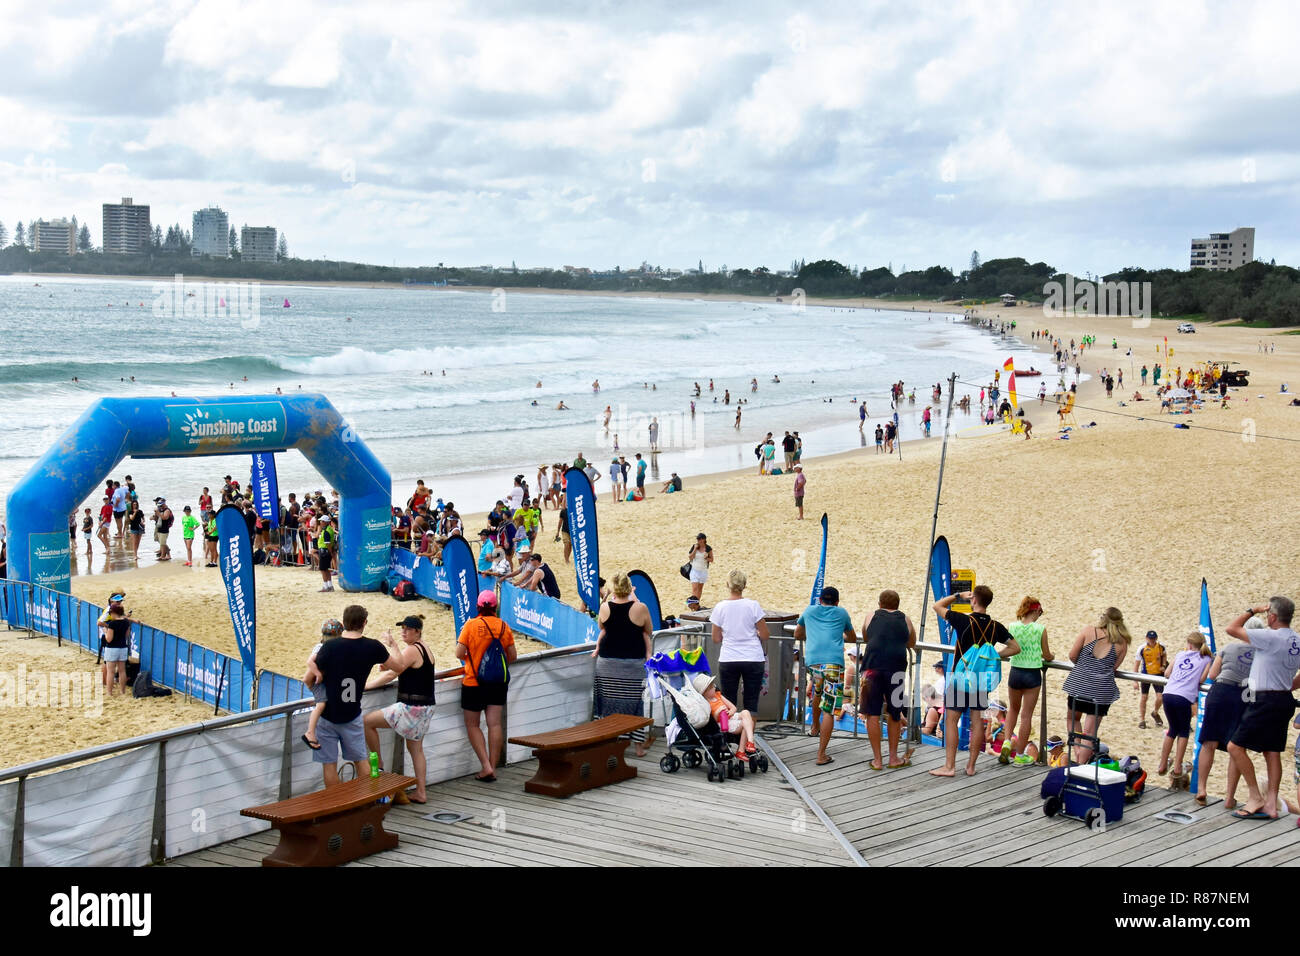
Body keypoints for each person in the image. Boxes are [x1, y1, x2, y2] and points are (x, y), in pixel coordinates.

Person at [311, 605, 408, 788]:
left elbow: (310, 677)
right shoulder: (373, 646)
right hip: (352, 713)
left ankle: (337, 807)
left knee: (329, 765)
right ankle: (368, 802)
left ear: (344, 622)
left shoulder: (329, 647)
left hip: (328, 714)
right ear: (364, 623)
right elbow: (399, 667)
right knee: (361, 760)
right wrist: (393, 645)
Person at [930, 586, 1020, 777]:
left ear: (974, 600)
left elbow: (937, 606)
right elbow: (1015, 648)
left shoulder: (963, 620)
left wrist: (958, 596)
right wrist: (994, 656)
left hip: (961, 677)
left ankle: (950, 766)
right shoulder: (995, 626)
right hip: (980, 679)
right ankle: (971, 766)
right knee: (977, 721)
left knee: (951, 720)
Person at [1225, 597, 1300, 820]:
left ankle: (1256, 796)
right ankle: (1270, 804)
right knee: (1272, 751)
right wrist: (1289, 685)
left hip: (1264, 699)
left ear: (1273, 616)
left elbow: (1232, 628)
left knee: (1235, 747)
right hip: (1284, 699)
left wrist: (1252, 610)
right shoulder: (1297, 639)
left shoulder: (1269, 636)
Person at [364, 615, 436, 803]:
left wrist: (368, 686)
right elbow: (398, 667)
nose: (403, 631)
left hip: (411, 708)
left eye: (407, 628)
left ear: (417, 631)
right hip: (426, 707)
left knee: (368, 722)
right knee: (416, 749)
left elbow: (394, 671)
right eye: (402, 628)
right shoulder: (425, 647)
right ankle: (421, 791)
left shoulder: (412, 649)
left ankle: (378, 762)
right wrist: (392, 655)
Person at [591, 571, 655, 756]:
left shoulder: (605, 607)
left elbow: (601, 627)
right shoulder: (640, 608)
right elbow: (648, 630)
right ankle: (637, 747)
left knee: (606, 704)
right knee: (634, 705)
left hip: (607, 663)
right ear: (629, 587)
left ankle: (607, 740)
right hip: (632, 663)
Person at [456, 591, 517, 782]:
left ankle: (485, 766)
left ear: (478, 607)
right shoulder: (503, 626)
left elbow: (459, 652)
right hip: (498, 682)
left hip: (474, 681)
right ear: (495, 607)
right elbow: (512, 656)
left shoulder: (471, 625)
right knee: (495, 724)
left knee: (473, 724)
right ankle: (493, 766)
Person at [793, 585, 856, 767]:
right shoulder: (841, 613)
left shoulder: (810, 610)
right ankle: (821, 754)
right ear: (837, 602)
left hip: (813, 662)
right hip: (833, 664)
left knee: (817, 693)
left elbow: (798, 633)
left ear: (820, 600)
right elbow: (851, 636)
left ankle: (814, 728)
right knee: (829, 707)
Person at [1061, 607, 1132, 765]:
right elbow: (1113, 668)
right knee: (1090, 732)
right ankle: (1081, 761)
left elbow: (1072, 655)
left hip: (1079, 684)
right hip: (1101, 690)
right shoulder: (1122, 643)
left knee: (1072, 719)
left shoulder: (1089, 631)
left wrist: (1084, 666)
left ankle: (1078, 752)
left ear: (1103, 619)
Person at [1194, 633, 1255, 807]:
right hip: (1243, 695)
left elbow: (1212, 675)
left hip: (1221, 690)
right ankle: (1229, 797)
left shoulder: (1228, 647)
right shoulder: (1262, 652)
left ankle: (1201, 789)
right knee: (1235, 747)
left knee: (1208, 743)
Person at [859, 589, 916, 770]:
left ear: (880, 604)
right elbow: (912, 642)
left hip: (871, 669)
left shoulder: (871, 616)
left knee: (872, 714)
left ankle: (877, 760)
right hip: (896, 670)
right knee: (894, 713)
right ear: (898, 605)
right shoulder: (905, 619)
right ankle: (893, 758)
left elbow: (866, 636)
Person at [709, 568, 769, 726]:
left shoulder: (720, 607)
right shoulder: (753, 605)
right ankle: (749, 741)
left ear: (727, 585)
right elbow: (765, 634)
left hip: (729, 657)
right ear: (744, 585)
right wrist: (754, 632)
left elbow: (715, 638)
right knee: (751, 702)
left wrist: (727, 634)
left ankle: (728, 738)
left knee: (728, 701)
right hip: (753, 657)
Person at [1156, 632, 1214, 784]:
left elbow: (1167, 673)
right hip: (1184, 696)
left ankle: (1163, 763)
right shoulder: (1207, 658)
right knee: (1183, 732)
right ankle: (1176, 766)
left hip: (1168, 694)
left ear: (1189, 644)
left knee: (1172, 730)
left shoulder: (1181, 654)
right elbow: (1202, 679)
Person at [1003, 597, 1052, 766]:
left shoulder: (1013, 626)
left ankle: (1007, 741)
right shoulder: (1040, 629)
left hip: (1015, 672)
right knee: (1026, 715)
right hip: (1032, 674)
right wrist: (1051, 658)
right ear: (1036, 611)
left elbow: (1010, 648)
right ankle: (1020, 754)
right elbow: (1046, 655)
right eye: (1040, 612)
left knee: (1013, 710)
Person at [301, 618, 343, 750]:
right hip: (318, 682)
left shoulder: (331, 646)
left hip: (321, 682)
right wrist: (318, 674)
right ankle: (310, 733)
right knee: (321, 705)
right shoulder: (320, 647)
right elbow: (310, 662)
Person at [694, 672, 757, 757]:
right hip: (721, 724)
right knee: (748, 723)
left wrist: (730, 713)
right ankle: (741, 751)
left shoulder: (718, 695)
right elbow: (710, 721)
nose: (715, 687)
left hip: (729, 717)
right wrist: (717, 713)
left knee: (746, 713)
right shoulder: (705, 703)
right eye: (712, 687)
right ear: (705, 692)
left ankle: (750, 742)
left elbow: (733, 708)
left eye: (714, 685)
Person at [1135, 629, 1168, 729]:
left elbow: (1164, 655)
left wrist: (1163, 665)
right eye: (1150, 639)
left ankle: (1155, 712)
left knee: (1160, 697)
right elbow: (1136, 665)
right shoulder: (1142, 648)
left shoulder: (1161, 647)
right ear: (1146, 638)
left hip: (1158, 675)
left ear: (1156, 638)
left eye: (1153, 639)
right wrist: (1135, 681)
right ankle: (1142, 720)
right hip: (1146, 675)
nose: (1152, 641)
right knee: (1144, 697)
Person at [100, 600, 135, 696]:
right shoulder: (126, 622)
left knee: (110, 672)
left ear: (113, 613)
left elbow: (109, 639)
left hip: (112, 649)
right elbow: (127, 635)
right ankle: (122, 692)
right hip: (123, 648)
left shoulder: (112, 624)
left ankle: (109, 692)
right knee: (122, 671)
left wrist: (105, 631)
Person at [686, 533, 712, 606]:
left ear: (704, 539)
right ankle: (691, 605)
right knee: (694, 589)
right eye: (697, 539)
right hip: (694, 571)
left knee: (699, 590)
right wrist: (694, 549)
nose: (698, 540)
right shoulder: (694, 547)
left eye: (699, 539)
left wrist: (706, 558)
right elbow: (690, 557)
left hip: (703, 571)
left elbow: (712, 559)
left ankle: (696, 605)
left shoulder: (708, 548)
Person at [315, 515, 337, 591]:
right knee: (326, 569)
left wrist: (330, 552)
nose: (320, 522)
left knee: (322, 569)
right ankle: (330, 586)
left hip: (324, 552)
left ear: (325, 522)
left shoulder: (326, 531)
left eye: (321, 521)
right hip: (326, 551)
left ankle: (326, 586)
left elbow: (327, 543)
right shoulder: (329, 529)